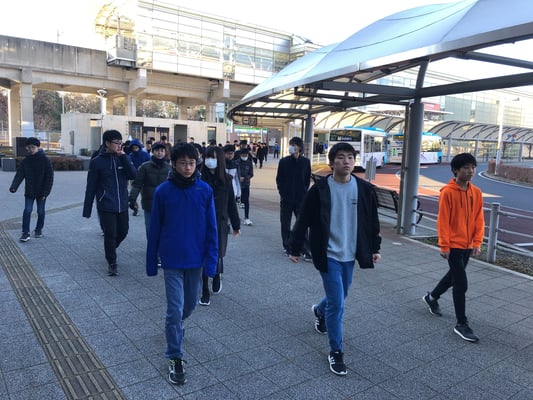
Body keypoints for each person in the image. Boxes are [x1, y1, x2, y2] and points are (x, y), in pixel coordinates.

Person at [288, 142, 381, 376]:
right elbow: (303, 219)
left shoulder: (364, 189)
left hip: (350, 253)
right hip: (327, 253)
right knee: (338, 303)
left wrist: (375, 247)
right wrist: (295, 247)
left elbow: (371, 221)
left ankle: (320, 311)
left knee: (340, 295)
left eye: (350, 157)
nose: (346, 161)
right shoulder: (319, 190)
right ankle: (336, 351)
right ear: (331, 163)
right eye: (341, 157)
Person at [146, 143, 218, 385]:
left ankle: (176, 326)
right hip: (172, 260)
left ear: (196, 163)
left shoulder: (205, 190)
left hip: (195, 260)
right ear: (173, 164)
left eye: (191, 163)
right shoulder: (163, 191)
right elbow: (154, 229)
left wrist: (212, 263)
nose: (187, 168)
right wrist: (151, 261)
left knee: (189, 306)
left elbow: (212, 229)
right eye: (182, 163)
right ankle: (175, 356)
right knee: (175, 310)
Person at [422, 153, 484, 343]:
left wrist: (477, 242)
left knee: (453, 276)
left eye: (473, 167)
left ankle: (432, 297)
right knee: (460, 283)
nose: (470, 171)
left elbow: (479, 219)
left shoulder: (476, 192)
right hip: (454, 245)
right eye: (466, 168)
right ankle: (461, 324)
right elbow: (443, 221)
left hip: (468, 245)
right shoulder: (448, 192)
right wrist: (444, 245)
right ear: (456, 170)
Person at [83, 129, 137, 276]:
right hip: (106, 204)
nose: (120, 145)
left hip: (122, 203)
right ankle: (112, 262)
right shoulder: (97, 162)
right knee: (110, 234)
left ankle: (111, 248)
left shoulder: (124, 158)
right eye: (116, 143)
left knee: (123, 231)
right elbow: (91, 186)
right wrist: (87, 209)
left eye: (121, 143)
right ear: (107, 143)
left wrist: (123, 157)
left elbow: (133, 174)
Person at [198, 146, 241, 306]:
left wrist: (236, 225)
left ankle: (216, 275)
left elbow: (231, 205)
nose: (210, 160)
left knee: (216, 254)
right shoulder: (198, 178)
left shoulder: (227, 180)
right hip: (201, 223)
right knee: (203, 255)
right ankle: (204, 289)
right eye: (208, 157)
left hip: (220, 224)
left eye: (214, 157)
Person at [9, 137, 54, 242]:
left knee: (40, 211)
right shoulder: (26, 161)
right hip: (29, 191)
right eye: (29, 148)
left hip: (42, 192)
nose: (31, 150)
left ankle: (38, 230)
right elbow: (19, 175)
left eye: (33, 147)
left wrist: (46, 193)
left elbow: (50, 178)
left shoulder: (45, 160)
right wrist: (14, 186)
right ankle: (25, 233)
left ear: (38, 147)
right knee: (27, 211)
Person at [276, 136, 311, 256]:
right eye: (291, 145)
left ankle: (304, 248)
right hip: (286, 198)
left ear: (299, 147)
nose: (292, 147)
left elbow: (307, 179)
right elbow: (279, 179)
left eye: (294, 145)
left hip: (301, 199)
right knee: (285, 223)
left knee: (302, 223)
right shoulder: (284, 161)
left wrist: (304, 192)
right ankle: (287, 246)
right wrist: (282, 192)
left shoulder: (305, 162)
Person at [128, 142, 171, 237]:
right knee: (150, 230)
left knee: (164, 230)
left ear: (165, 152)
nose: (159, 153)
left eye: (162, 151)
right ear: (153, 152)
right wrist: (132, 199)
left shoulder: (170, 168)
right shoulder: (145, 167)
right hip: (149, 204)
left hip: (165, 204)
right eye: (157, 150)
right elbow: (137, 184)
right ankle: (152, 246)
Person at [128, 139, 150, 216]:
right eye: (133, 147)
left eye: (136, 147)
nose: (135, 149)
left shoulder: (145, 155)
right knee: (133, 194)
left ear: (139, 147)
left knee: (144, 194)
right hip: (133, 177)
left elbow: (149, 164)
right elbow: (128, 166)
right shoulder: (130, 156)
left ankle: (146, 207)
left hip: (144, 177)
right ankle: (135, 207)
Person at [235, 147, 254, 225]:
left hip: (246, 185)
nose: (245, 156)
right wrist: (238, 178)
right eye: (243, 155)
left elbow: (251, 174)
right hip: (237, 185)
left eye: (246, 155)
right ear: (240, 155)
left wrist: (245, 178)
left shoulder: (249, 163)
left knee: (246, 201)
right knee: (235, 202)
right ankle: (235, 217)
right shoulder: (236, 163)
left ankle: (247, 217)